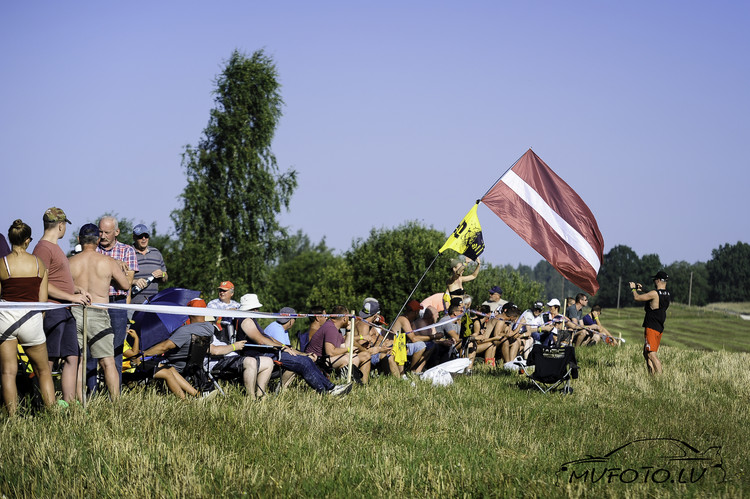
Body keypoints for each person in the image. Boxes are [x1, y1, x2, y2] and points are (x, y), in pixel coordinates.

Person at [235, 294, 351, 396]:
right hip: (261, 355)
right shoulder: (246, 321)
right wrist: (282, 348)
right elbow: (261, 340)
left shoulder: (250, 320)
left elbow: (269, 339)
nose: (257, 311)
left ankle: (330, 387)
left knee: (305, 359)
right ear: (251, 308)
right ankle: (326, 390)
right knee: (303, 362)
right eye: (256, 308)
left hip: (267, 353)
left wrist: (288, 348)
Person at [33, 207, 91, 403]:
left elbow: (57, 280)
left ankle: (69, 403)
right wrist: (71, 296)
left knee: (72, 357)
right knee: (49, 358)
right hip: (52, 310)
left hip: (64, 309)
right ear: (60, 225)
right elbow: (41, 284)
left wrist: (76, 289)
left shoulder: (55, 247)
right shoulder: (43, 248)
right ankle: (44, 404)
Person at [69, 223, 132, 400]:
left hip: (76, 312)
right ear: (98, 240)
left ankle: (80, 402)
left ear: (79, 240)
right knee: (108, 361)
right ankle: (116, 404)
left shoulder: (70, 262)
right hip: (98, 312)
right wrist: (110, 277)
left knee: (79, 361)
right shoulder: (108, 262)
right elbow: (126, 285)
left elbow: (63, 287)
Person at [0, 220, 56, 415]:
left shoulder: (2, 264)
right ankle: (52, 414)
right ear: (28, 240)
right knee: (43, 371)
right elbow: (42, 301)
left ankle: (13, 417)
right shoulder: (38, 263)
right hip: (30, 318)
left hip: (6, 318)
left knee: (8, 372)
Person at [95, 216, 137, 388]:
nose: (102, 236)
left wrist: (104, 271)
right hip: (97, 303)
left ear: (116, 232)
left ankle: (115, 396)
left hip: (118, 303)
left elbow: (126, 282)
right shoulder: (93, 251)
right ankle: (91, 393)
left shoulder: (127, 251)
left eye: (107, 232)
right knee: (93, 352)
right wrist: (114, 266)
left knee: (116, 351)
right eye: (100, 232)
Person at [305, 305, 379, 384]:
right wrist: (349, 350)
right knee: (350, 358)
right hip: (316, 361)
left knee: (365, 355)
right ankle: (349, 382)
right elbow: (330, 352)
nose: (349, 320)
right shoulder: (331, 328)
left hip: (326, 359)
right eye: (348, 318)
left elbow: (345, 345)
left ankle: (363, 384)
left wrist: (349, 330)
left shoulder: (337, 329)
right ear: (344, 318)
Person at [631, 271, 671, 375]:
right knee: (646, 353)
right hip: (659, 326)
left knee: (652, 354)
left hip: (651, 326)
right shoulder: (667, 294)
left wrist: (633, 289)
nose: (654, 281)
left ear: (658, 280)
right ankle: (651, 375)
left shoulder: (654, 293)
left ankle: (660, 378)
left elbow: (637, 298)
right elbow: (655, 295)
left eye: (655, 279)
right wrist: (643, 289)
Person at [130, 224, 167, 306]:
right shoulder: (128, 252)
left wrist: (162, 274)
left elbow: (165, 277)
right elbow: (119, 279)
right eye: (140, 236)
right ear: (134, 237)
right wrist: (134, 281)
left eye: (146, 236)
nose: (144, 239)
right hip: (133, 304)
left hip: (153, 303)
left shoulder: (156, 253)